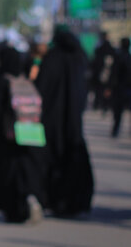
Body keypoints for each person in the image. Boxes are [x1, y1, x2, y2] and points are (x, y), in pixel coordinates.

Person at [0, 45, 47, 223]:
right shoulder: (27, 80)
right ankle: (30, 200)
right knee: (26, 172)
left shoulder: (2, 81)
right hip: (28, 134)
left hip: (6, 137)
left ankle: (13, 211)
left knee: (5, 175)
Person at [35, 26, 93, 217]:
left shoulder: (53, 58)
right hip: (74, 121)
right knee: (74, 157)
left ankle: (54, 200)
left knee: (53, 157)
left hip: (53, 120)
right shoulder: (79, 58)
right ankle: (75, 202)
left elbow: (41, 87)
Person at [112, 37, 131, 137]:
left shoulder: (118, 57)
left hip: (119, 89)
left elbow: (114, 74)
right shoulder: (128, 57)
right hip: (127, 89)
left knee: (118, 112)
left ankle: (115, 130)